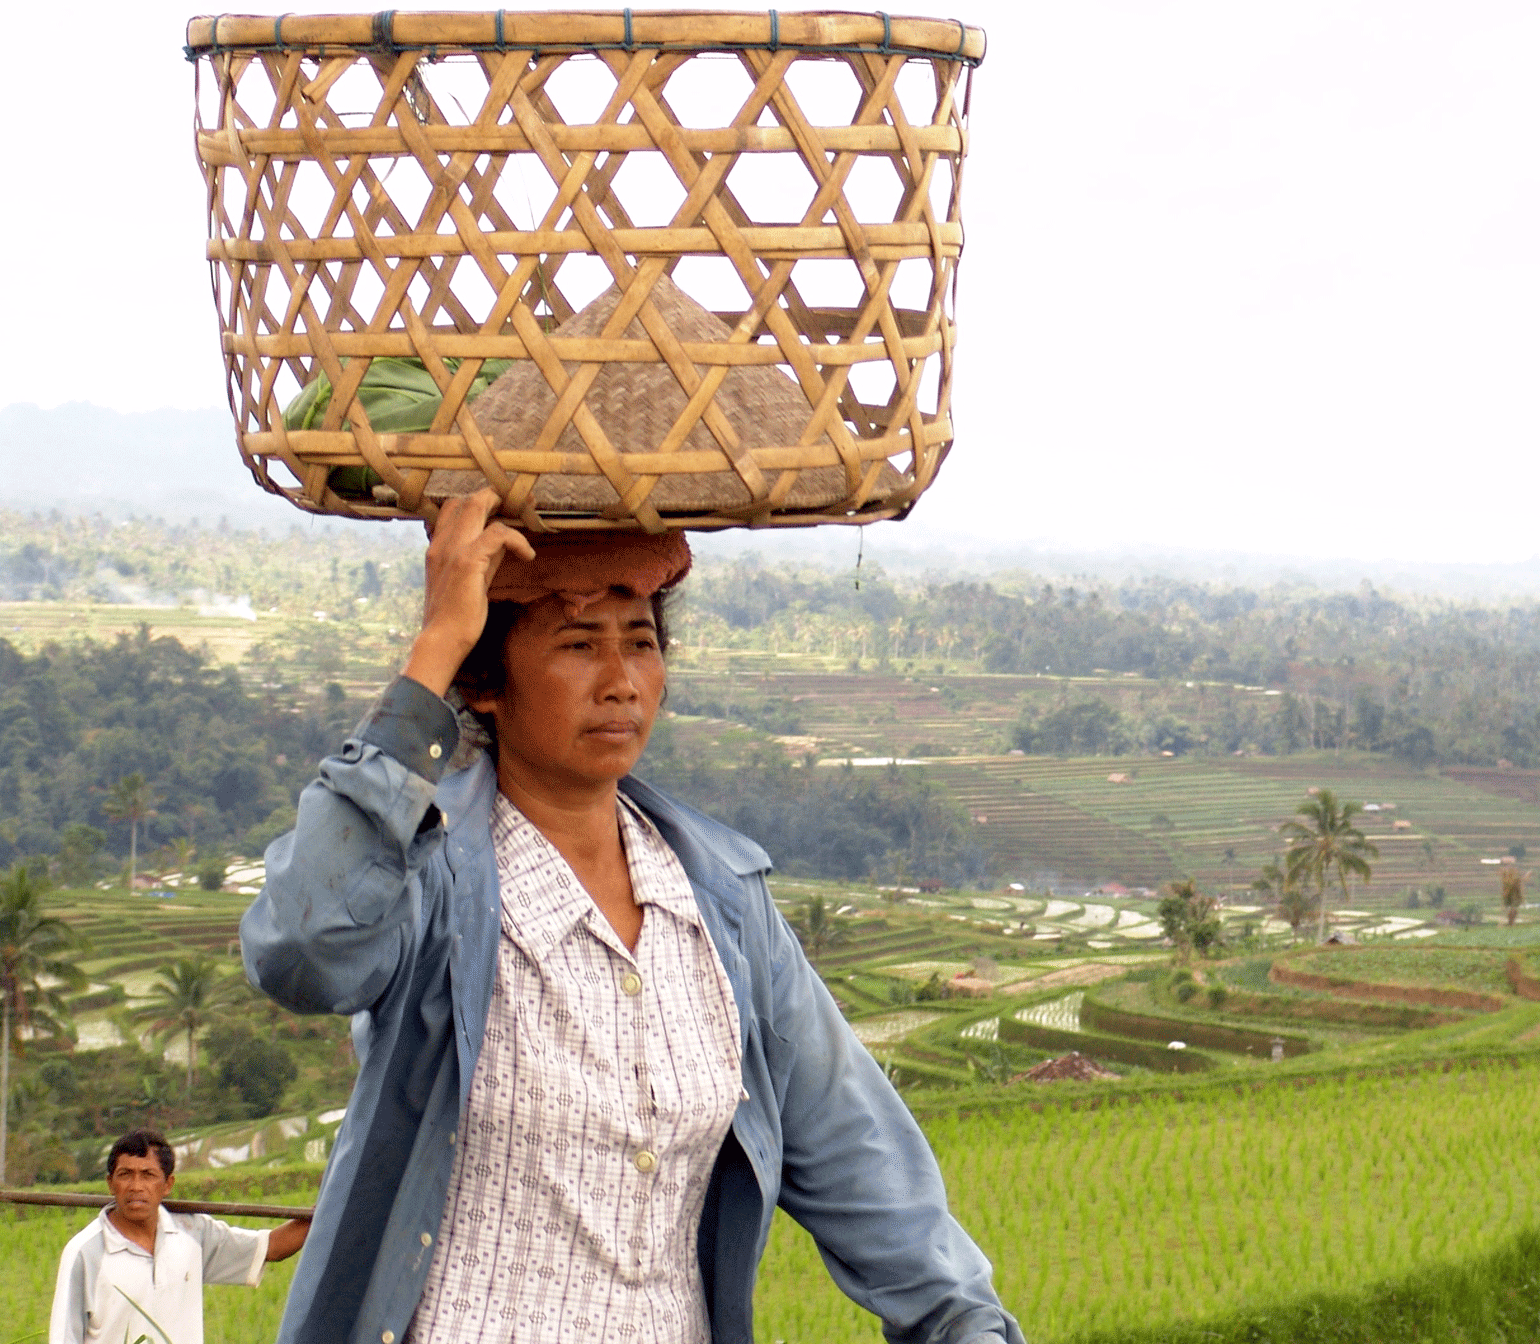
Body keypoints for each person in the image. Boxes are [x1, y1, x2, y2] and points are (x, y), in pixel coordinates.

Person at [240, 490, 1023, 1344]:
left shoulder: (719, 902)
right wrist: (433, 649)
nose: (620, 683)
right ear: (486, 682)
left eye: (641, 643)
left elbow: (860, 1157)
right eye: (579, 645)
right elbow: (302, 949)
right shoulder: (435, 886)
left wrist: (963, 1323)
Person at [48, 1128, 310, 1344]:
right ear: (110, 1183)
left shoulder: (193, 1234)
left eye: (148, 1175)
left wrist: (335, 1212)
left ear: (168, 1185)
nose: (136, 1186)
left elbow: (272, 1248)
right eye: (125, 1174)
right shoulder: (84, 1252)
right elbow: (64, 1337)